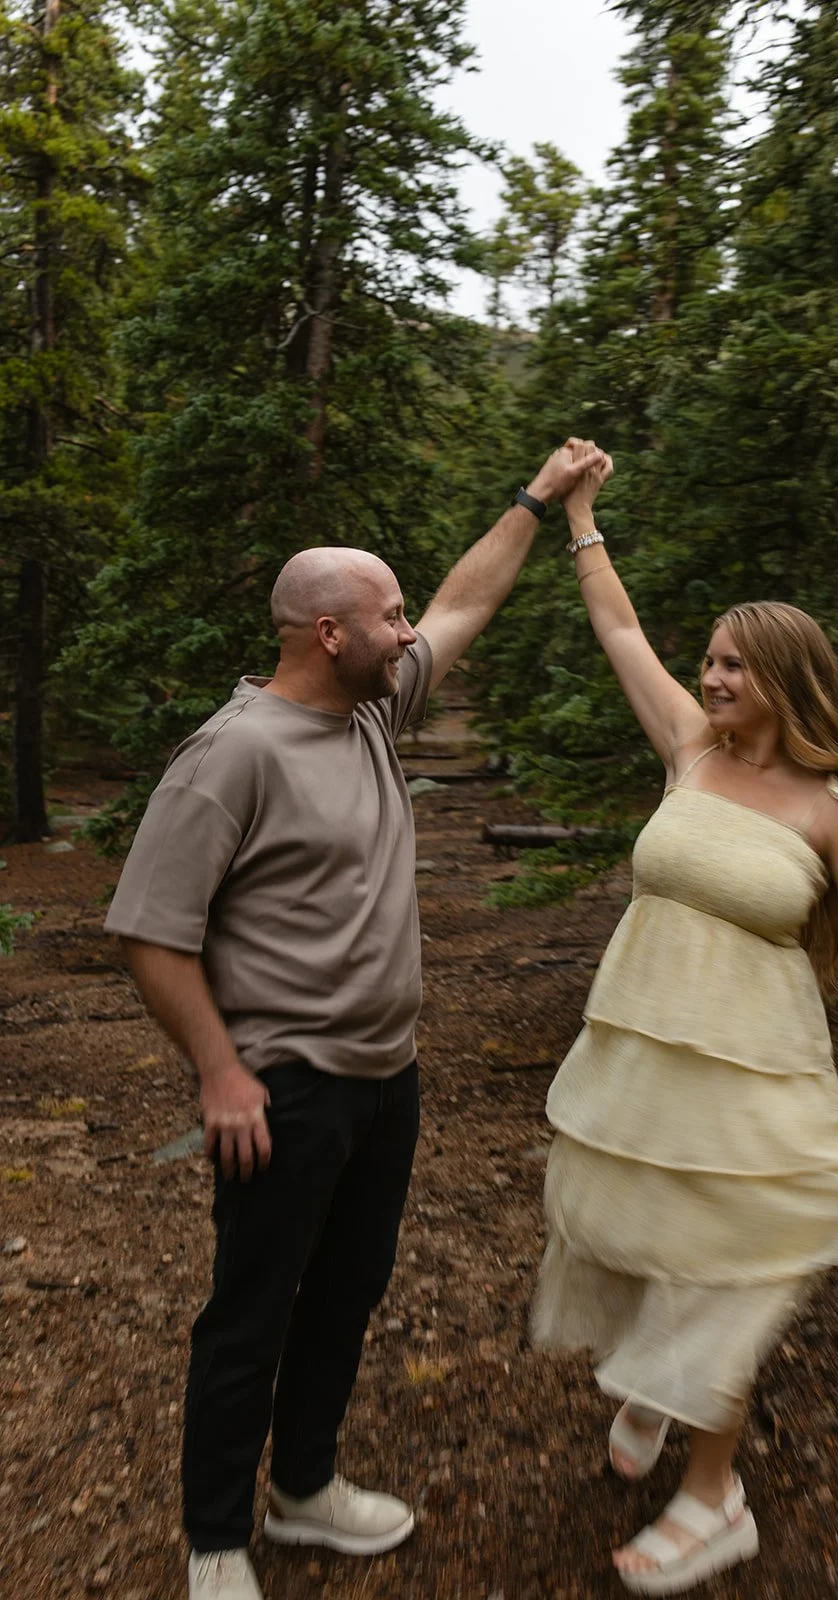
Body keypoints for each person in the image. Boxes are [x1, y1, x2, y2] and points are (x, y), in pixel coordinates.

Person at [103, 439, 604, 1600]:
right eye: (387, 617)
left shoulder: (371, 711)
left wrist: (535, 498)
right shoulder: (230, 756)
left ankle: (305, 1487)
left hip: (388, 1078)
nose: (409, 632)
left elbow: (465, 600)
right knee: (251, 1311)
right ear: (328, 633)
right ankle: (215, 1540)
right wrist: (220, 1072)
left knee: (346, 1291)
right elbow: (149, 932)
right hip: (284, 1087)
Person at [531, 447, 838, 1597]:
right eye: (710, 660)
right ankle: (652, 1383)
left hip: (754, 1073)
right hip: (640, 1053)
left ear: (784, 677)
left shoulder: (836, 812)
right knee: (625, 1219)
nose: (711, 677)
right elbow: (618, 627)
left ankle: (712, 1497)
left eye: (732, 664)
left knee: (724, 1267)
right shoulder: (689, 749)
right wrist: (579, 514)